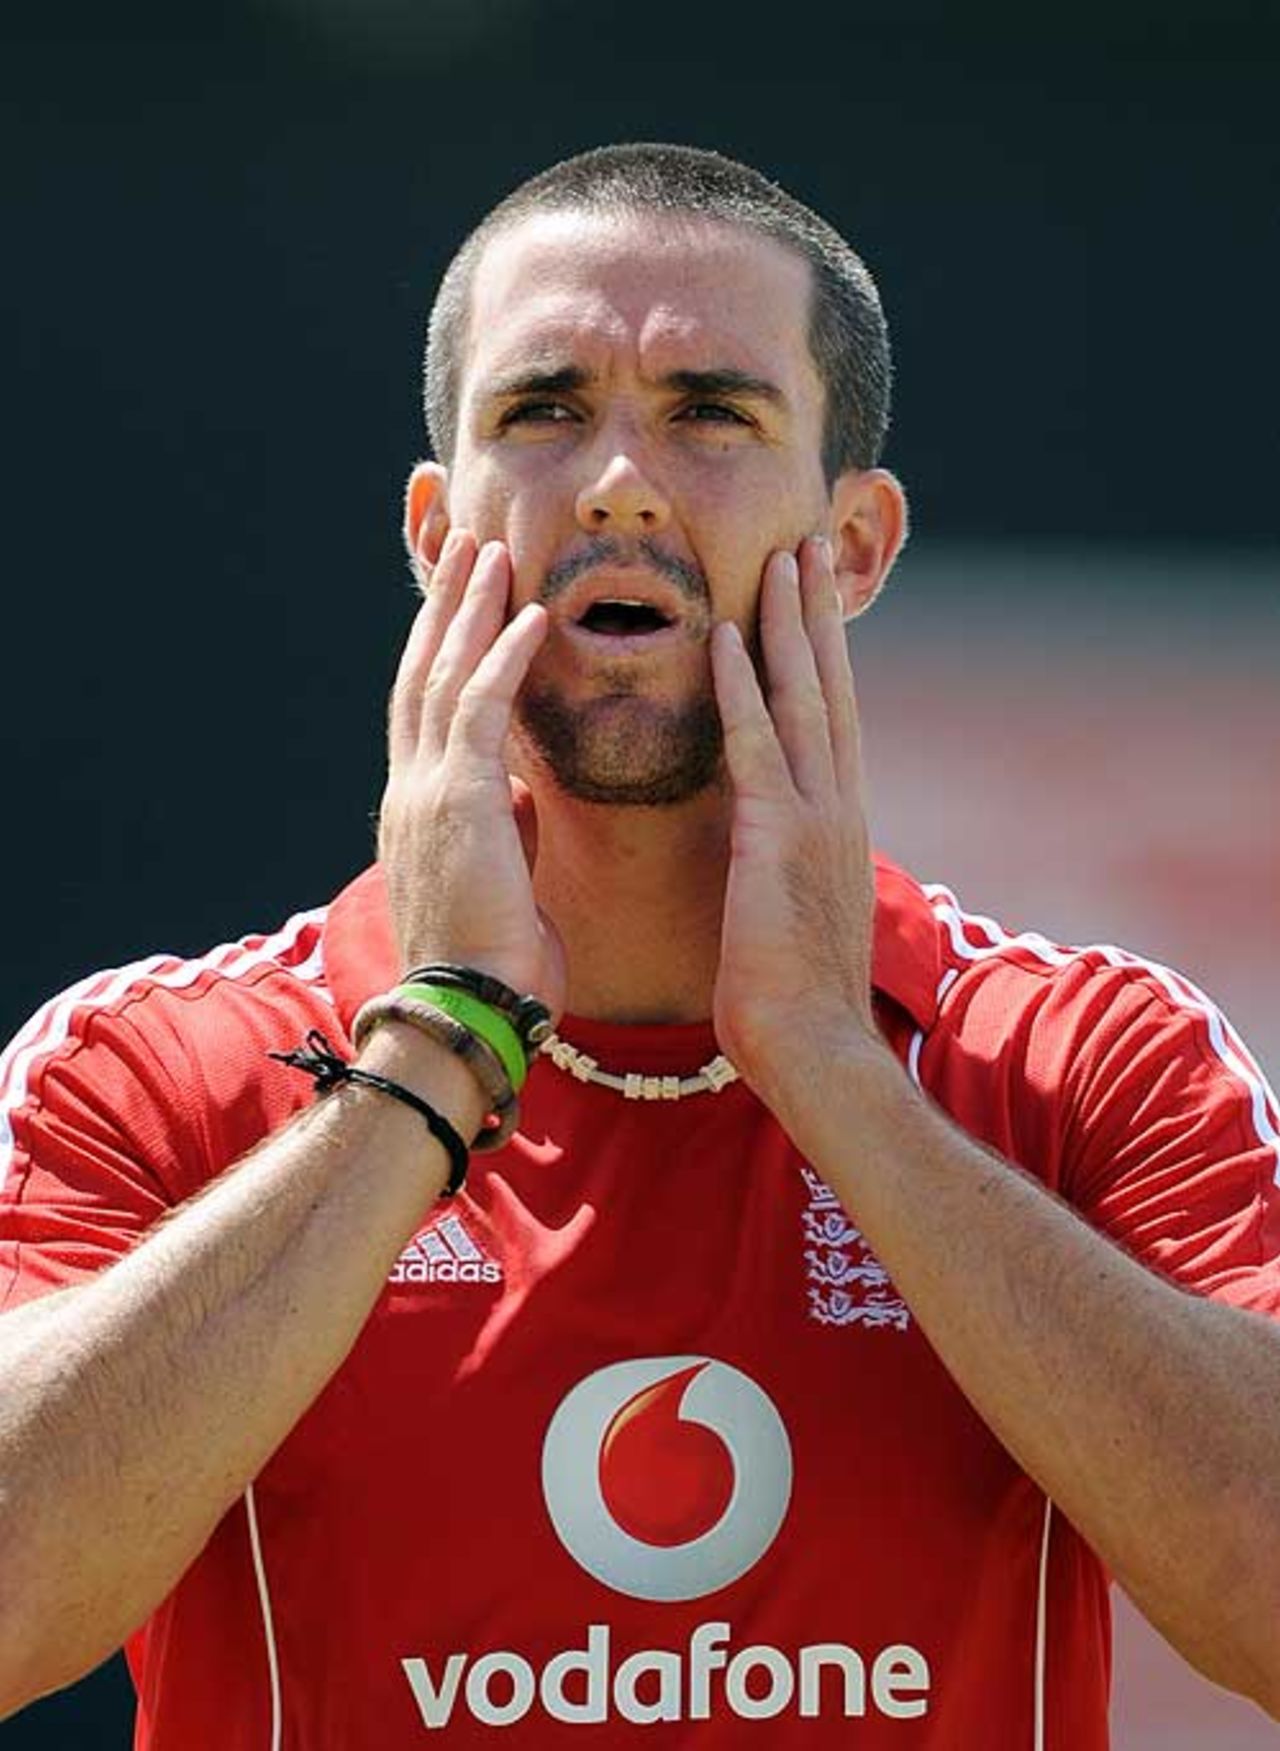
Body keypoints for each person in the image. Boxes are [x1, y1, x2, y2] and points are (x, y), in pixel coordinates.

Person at [1, 143, 1278, 1750]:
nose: (617, 479)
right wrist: (436, 1043)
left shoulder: (1093, 1058)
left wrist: (831, 1062)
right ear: (432, 528)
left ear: (860, 544)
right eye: (542, 411)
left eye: (710, 413)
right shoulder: (155, 1066)